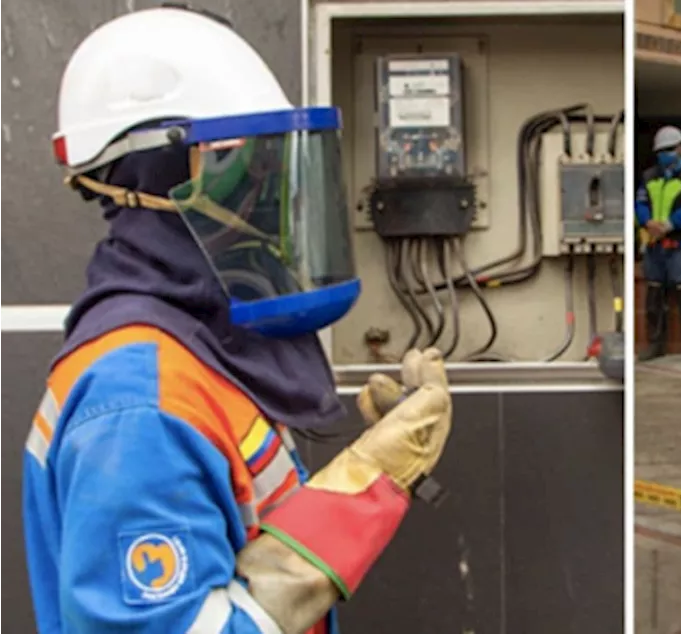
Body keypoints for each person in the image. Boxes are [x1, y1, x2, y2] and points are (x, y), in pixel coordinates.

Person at [22, 7, 452, 633]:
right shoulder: (141, 404)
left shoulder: (189, 348)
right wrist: (369, 484)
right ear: (163, 178)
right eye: (242, 168)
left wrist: (372, 474)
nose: (269, 199)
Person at [635, 125, 681, 364]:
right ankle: (655, 344)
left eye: (669, 149)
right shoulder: (649, 176)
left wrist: (669, 224)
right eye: (660, 150)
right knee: (654, 295)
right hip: (655, 246)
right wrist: (648, 223)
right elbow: (640, 203)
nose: (664, 154)